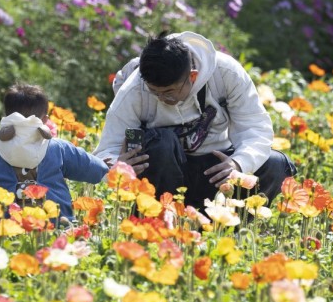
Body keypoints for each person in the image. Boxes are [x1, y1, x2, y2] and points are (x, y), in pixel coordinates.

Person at [94, 31, 296, 210]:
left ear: (192, 76)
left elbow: (256, 128)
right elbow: (106, 149)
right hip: (162, 174)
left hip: (217, 169)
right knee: (161, 142)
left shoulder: (226, 73)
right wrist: (117, 166)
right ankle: (160, 224)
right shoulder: (134, 88)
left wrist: (237, 164)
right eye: (155, 92)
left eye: (169, 92)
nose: (162, 99)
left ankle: (219, 230)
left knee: (276, 164)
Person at [0, 83, 110, 221]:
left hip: (7, 227)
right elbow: (86, 165)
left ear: (7, 118)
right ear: (45, 120)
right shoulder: (57, 148)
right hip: (57, 223)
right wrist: (107, 170)